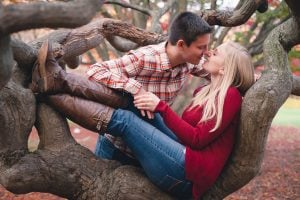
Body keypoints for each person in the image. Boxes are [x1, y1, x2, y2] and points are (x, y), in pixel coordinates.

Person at [31, 39, 255, 199]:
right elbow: (185, 134)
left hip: (189, 177)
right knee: (133, 99)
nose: (208, 53)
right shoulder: (205, 92)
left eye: (216, 53)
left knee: (127, 121)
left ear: (226, 69)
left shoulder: (231, 96)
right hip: (182, 156)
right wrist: (153, 105)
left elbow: (197, 140)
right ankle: (58, 80)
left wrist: (161, 107)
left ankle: (48, 95)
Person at [33, 11, 213, 165]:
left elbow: (219, 73)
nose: (206, 52)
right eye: (201, 47)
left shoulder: (190, 63)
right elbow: (96, 71)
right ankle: (49, 85)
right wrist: (136, 88)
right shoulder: (146, 57)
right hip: (115, 147)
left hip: (146, 150)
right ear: (181, 44)